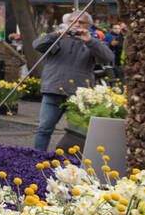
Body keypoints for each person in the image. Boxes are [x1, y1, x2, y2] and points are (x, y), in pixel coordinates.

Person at [32, 12, 114, 151]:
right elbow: (37, 45)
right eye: (73, 21)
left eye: (81, 22)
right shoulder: (57, 38)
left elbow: (108, 58)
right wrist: (56, 35)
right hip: (54, 90)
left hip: (79, 95)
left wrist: (90, 41)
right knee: (44, 129)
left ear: (89, 26)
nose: (76, 24)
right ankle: (37, 158)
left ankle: (72, 161)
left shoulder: (93, 41)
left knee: (79, 132)